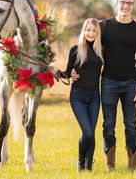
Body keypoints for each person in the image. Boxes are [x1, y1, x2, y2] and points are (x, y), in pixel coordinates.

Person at [72, 0, 136, 171]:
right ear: (117, 3)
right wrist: (74, 67)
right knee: (108, 125)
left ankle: (132, 166)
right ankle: (110, 165)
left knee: (130, 124)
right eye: (122, 2)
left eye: (129, 3)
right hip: (108, 83)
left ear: (133, 6)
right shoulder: (104, 26)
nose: (125, 6)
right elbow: (87, 45)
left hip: (131, 83)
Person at [55, 18, 104, 172]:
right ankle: (80, 161)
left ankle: (87, 168)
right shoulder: (76, 50)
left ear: (97, 33)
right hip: (78, 95)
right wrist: (55, 71)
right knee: (88, 133)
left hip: (95, 96)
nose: (91, 33)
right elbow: (67, 73)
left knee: (91, 133)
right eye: (88, 30)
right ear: (84, 31)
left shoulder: (101, 51)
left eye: (94, 31)